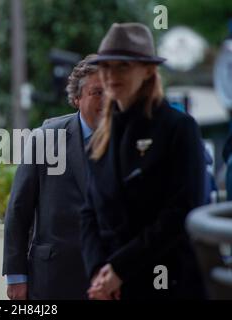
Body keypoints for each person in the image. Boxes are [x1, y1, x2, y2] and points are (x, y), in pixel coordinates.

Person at [81, 22, 206, 300]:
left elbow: (181, 212)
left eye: (123, 66)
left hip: (168, 283)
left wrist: (119, 268)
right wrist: (99, 273)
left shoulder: (178, 128)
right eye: (106, 66)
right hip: (113, 288)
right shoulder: (99, 140)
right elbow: (89, 214)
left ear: (148, 70)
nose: (111, 75)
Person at [3, 54, 104, 299]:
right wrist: (16, 276)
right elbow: (19, 209)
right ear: (77, 98)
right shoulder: (46, 138)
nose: (106, 100)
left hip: (111, 277)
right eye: (97, 92)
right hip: (54, 278)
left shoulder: (129, 139)